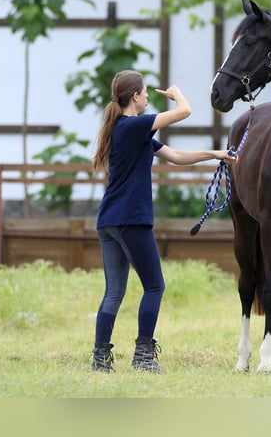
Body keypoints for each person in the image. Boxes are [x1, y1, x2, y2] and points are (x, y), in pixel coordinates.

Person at [90, 70, 236, 374]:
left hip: (109, 221)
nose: (147, 98)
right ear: (136, 97)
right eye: (144, 93)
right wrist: (176, 93)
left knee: (114, 292)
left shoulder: (128, 130)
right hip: (131, 219)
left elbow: (176, 156)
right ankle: (143, 356)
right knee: (155, 286)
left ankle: (100, 359)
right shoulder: (134, 125)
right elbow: (184, 111)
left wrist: (214, 154)